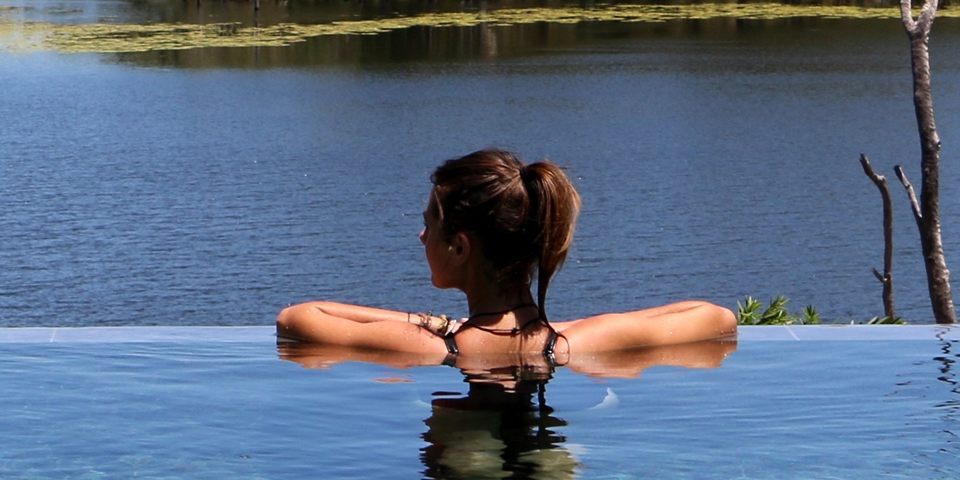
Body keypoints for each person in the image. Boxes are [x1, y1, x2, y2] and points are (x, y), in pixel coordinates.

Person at [275, 148, 736, 373]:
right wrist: (567, 326)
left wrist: (437, 324)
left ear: (459, 247)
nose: (420, 237)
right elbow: (716, 319)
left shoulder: (428, 347)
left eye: (429, 226)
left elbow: (297, 319)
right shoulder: (572, 344)